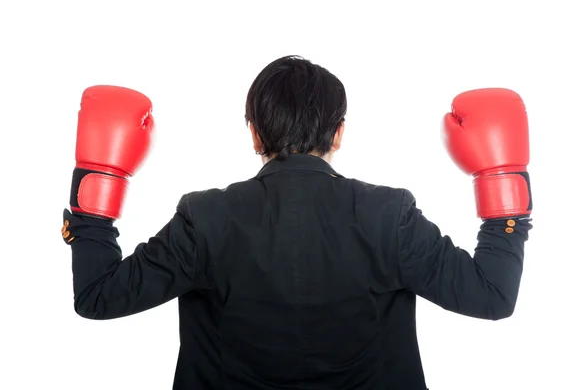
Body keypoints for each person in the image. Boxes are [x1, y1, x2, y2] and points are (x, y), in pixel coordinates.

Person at [62, 56, 533, 390]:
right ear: (339, 133)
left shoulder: (204, 218)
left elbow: (98, 296)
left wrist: (97, 181)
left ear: (253, 133)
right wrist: (503, 183)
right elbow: (490, 296)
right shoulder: (390, 216)